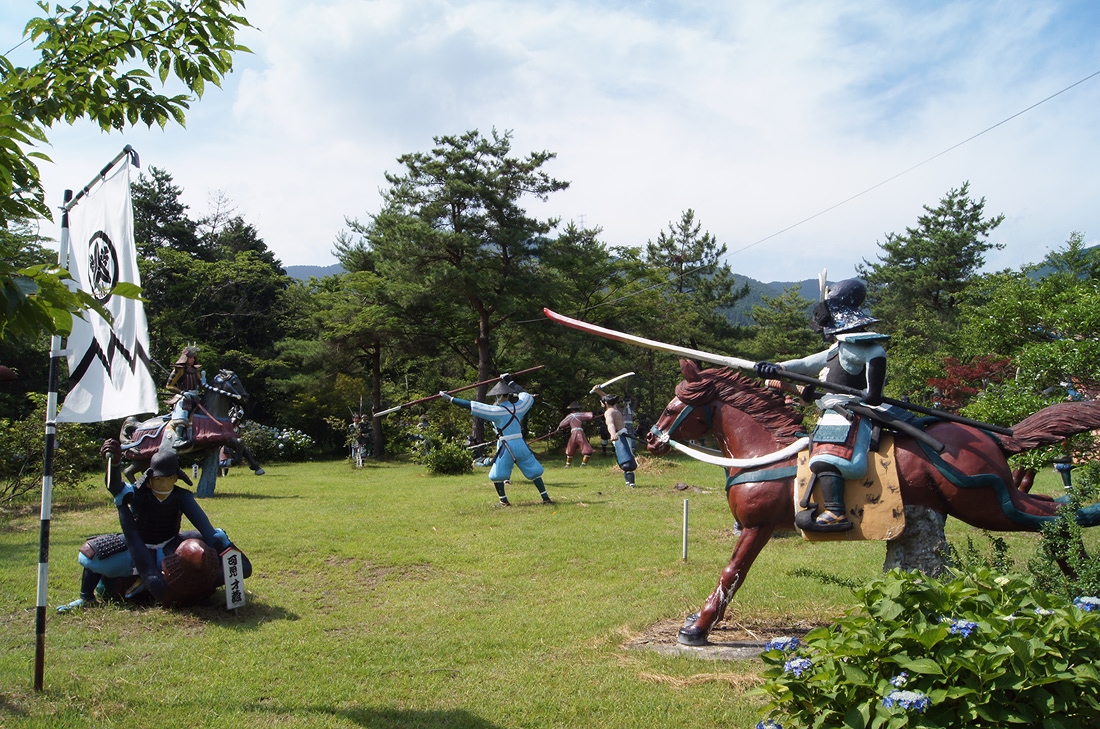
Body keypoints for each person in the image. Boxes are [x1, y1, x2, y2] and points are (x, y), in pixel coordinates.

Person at [754, 278, 887, 532]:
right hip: (831, 410)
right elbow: (804, 364)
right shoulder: (837, 349)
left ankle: (836, 512)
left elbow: (876, 356)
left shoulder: (855, 348)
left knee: (828, 456)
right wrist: (776, 368)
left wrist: (872, 392)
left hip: (847, 411)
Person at [58, 441, 249, 612]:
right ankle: (86, 597)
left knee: (202, 555)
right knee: (93, 553)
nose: (164, 483)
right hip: (138, 545)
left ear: (176, 478)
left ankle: (195, 591)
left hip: (170, 545)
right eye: (159, 479)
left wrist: (221, 544)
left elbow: (205, 528)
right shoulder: (138, 494)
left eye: (169, 478)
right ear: (149, 479)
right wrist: (114, 464)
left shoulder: (182, 496)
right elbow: (116, 488)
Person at [439, 373, 551, 506]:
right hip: (521, 444)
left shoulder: (496, 412)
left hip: (506, 446)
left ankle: (503, 501)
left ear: (499, 396)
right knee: (534, 470)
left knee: (497, 474)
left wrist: (451, 399)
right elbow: (524, 394)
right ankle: (545, 498)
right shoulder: (520, 407)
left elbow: (472, 406)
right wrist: (509, 380)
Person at [592, 388, 637, 487]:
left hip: (620, 436)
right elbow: (606, 397)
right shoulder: (615, 409)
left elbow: (610, 424)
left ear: (606, 403)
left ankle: (631, 483)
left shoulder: (609, 412)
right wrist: (597, 390)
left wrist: (612, 434)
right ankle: (628, 482)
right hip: (623, 435)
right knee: (624, 459)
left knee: (626, 461)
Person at [164, 345, 203, 451]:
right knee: (183, 412)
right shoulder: (179, 370)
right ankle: (178, 438)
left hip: (196, 396)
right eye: (191, 357)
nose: (193, 359)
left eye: (194, 357)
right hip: (183, 396)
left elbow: (201, 383)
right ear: (185, 358)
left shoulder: (196, 370)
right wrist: (182, 392)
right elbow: (169, 386)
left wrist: (204, 382)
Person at [558, 401, 595, 467]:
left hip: (573, 433)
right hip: (580, 432)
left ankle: (568, 465)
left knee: (570, 447)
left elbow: (561, 424)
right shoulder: (581, 414)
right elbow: (590, 415)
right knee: (586, 448)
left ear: (571, 409)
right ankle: (583, 464)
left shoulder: (569, 416)